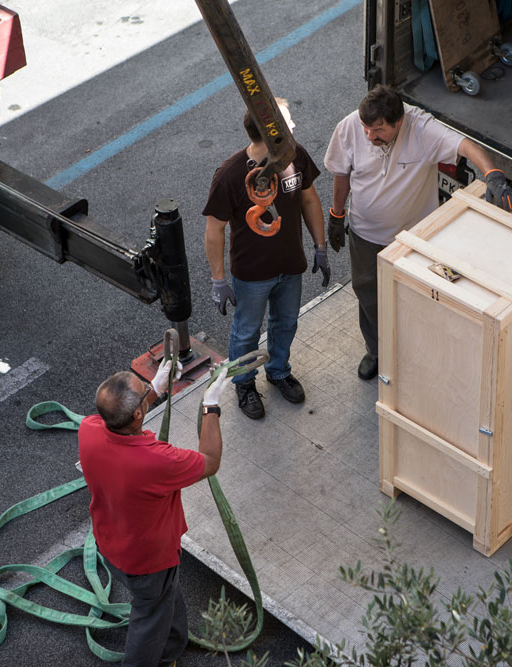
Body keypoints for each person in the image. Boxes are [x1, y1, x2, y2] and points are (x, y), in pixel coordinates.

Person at [324, 85, 512, 380]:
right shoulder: (350, 127)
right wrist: (336, 215)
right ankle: (377, 350)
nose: (369, 136)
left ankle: (414, 350)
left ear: (398, 122)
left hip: (415, 239)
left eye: (378, 130)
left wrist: (493, 175)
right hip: (365, 234)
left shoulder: (422, 128)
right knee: (368, 293)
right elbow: (342, 172)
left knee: (417, 296)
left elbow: (467, 147)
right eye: (366, 128)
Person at [78, 359, 232, 667]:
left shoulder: (88, 429)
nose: (148, 388)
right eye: (144, 390)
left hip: (110, 542)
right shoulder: (157, 461)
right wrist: (211, 405)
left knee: (163, 598)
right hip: (148, 562)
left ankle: (172, 648)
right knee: (149, 616)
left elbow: (122, 416)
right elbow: (210, 460)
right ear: (137, 414)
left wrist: (155, 390)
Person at [204, 98, 329, 419]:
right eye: (288, 122)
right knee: (246, 331)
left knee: (286, 322)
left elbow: (309, 199)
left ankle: (278, 371)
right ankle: (244, 383)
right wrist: (219, 280)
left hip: (290, 265)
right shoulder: (230, 174)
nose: (294, 126)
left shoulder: (296, 156)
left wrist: (320, 246)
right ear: (272, 131)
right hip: (252, 275)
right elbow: (214, 228)